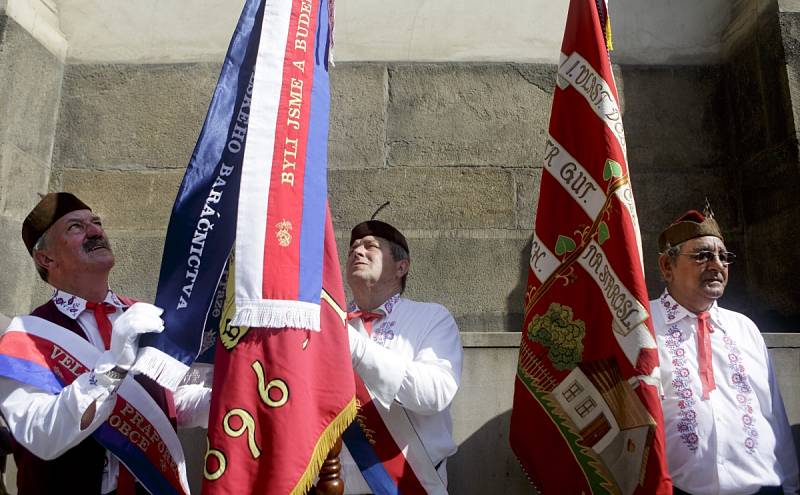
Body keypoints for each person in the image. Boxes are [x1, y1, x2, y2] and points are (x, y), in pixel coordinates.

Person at [0, 192, 210, 494]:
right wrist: (114, 366)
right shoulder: (26, 337)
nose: (96, 231)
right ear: (46, 258)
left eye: (95, 222)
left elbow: (165, 402)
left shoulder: (141, 315)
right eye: (76, 227)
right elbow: (42, 434)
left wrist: (217, 401)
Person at [651, 208, 799, 495]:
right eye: (702, 255)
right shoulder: (642, 324)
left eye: (723, 256)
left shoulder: (744, 327)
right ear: (666, 266)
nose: (716, 264)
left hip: (764, 488)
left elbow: (775, 415)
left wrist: (792, 486)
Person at [340, 219, 463, 493]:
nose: (357, 252)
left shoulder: (432, 317)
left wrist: (355, 347)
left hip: (409, 482)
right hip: (335, 484)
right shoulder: (330, 324)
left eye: (371, 247)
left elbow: (435, 393)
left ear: (401, 266)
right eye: (352, 249)